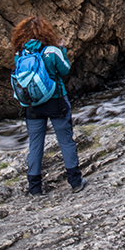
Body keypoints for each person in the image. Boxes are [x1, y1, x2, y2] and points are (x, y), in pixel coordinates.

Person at [10, 16, 86, 195]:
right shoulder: (52, 51)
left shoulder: (20, 54)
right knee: (66, 140)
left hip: (32, 105)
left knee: (35, 144)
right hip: (56, 101)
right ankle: (75, 181)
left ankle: (35, 187)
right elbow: (65, 70)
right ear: (46, 31)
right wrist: (63, 50)